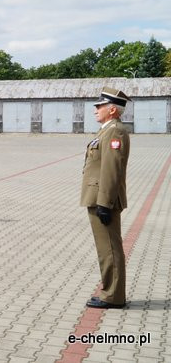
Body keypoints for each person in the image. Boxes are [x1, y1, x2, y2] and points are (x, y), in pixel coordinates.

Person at [82, 87, 131, 309]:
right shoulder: (107, 130)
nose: (95, 109)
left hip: (104, 200)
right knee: (106, 249)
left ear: (112, 110)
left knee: (110, 249)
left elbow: (111, 170)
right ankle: (110, 292)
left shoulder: (115, 132)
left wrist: (104, 203)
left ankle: (113, 296)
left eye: (100, 105)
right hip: (99, 197)